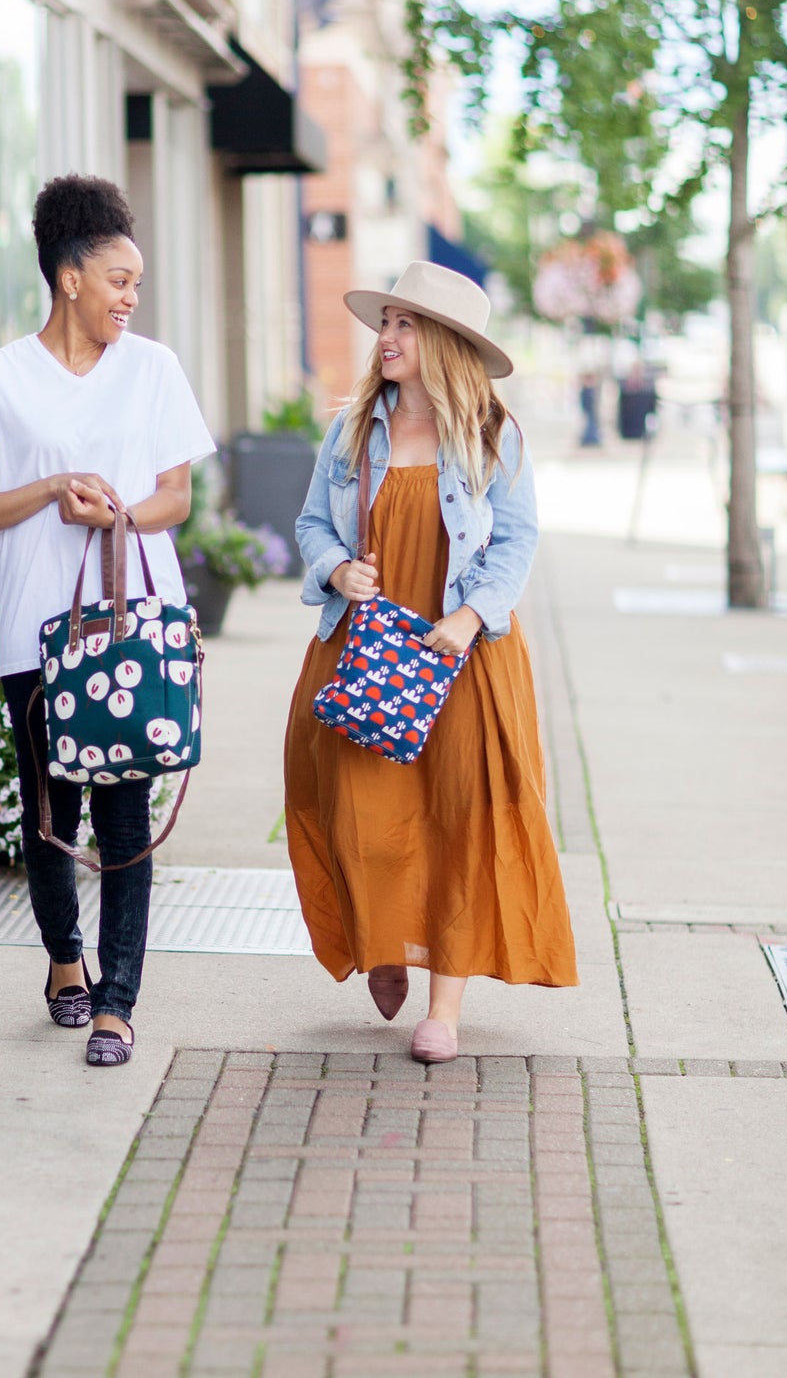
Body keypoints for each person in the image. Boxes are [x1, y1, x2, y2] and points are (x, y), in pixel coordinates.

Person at [0, 174, 215, 1067]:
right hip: (38, 635)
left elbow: (176, 497)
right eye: (120, 280)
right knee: (51, 813)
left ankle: (116, 1005)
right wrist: (51, 488)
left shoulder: (153, 369)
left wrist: (113, 511)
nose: (131, 298)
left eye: (137, 284)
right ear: (70, 277)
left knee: (125, 818)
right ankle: (64, 958)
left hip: (131, 629)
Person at [284, 262, 577, 1064]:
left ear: (444, 341)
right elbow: (312, 524)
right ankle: (384, 939)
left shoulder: (492, 434)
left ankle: (444, 1007)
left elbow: (516, 540)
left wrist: (470, 614)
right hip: (367, 647)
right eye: (386, 322)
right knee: (355, 807)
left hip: (463, 655)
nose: (386, 336)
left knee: (460, 820)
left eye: (405, 324)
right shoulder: (353, 429)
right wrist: (336, 570)